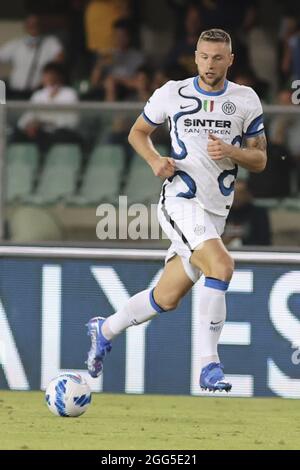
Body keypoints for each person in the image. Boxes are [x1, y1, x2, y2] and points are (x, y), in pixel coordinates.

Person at [86, 29, 267, 392]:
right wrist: (154, 160)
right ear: (195, 56)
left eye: (218, 57)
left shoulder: (245, 99)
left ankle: (104, 329)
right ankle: (208, 364)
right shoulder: (172, 93)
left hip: (216, 212)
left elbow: (260, 159)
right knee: (222, 265)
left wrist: (232, 152)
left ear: (230, 60)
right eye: (203, 56)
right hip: (180, 202)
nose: (210, 64)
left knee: (166, 297)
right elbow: (138, 132)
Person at [15, 62, 79, 152]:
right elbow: (27, 117)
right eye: (46, 75)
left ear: (60, 76)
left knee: (60, 136)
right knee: (18, 134)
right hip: (38, 132)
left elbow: (71, 121)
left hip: (59, 134)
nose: (49, 78)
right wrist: (29, 125)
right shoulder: (38, 94)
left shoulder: (69, 94)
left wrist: (44, 122)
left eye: (52, 75)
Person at [0, 14, 64, 99]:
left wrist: (49, 77)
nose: (33, 26)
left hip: (38, 92)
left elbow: (59, 57)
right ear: (25, 26)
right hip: (15, 91)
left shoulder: (50, 42)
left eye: (36, 24)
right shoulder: (17, 44)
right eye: (30, 24)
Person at [223, 179, 271, 247]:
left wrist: (239, 242)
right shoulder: (223, 213)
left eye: (240, 193)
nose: (236, 197)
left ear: (249, 194)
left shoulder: (259, 214)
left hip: (251, 253)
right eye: (233, 193)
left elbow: (264, 242)